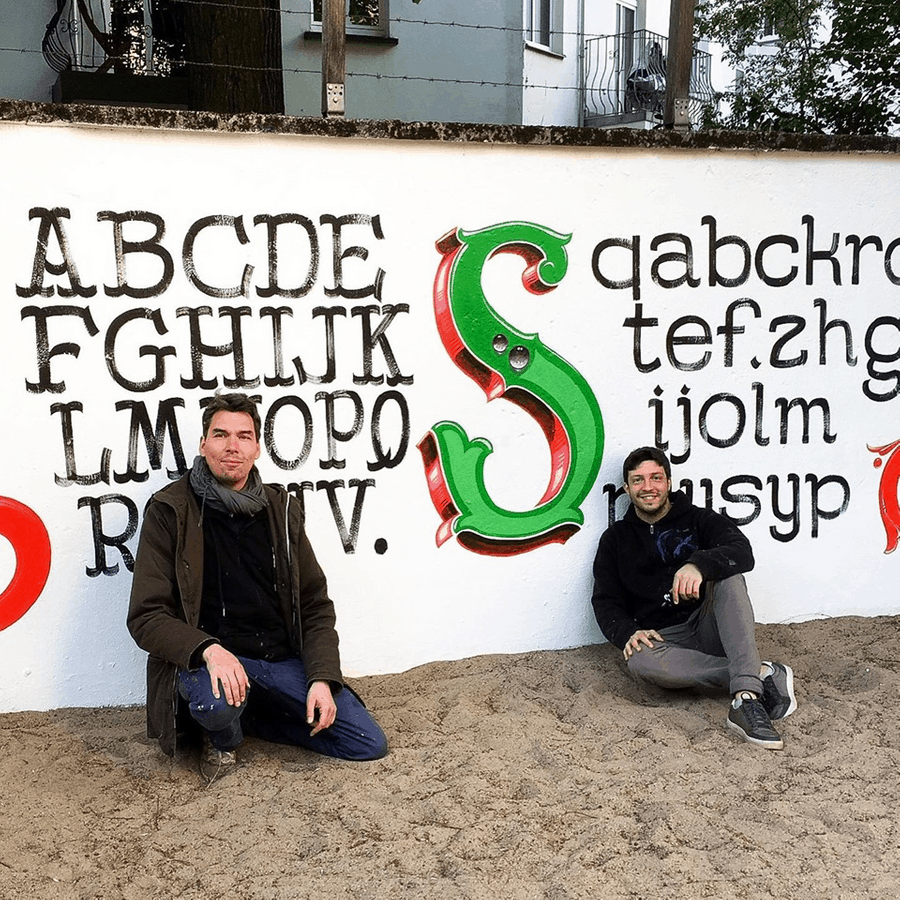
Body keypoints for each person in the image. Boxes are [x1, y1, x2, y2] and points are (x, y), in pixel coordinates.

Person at [127, 392, 388, 781]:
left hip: (277, 661)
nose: (232, 446)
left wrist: (320, 676)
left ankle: (253, 718)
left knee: (366, 742)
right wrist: (208, 650)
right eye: (220, 435)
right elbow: (146, 616)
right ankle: (224, 732)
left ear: (257, 448)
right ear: (203, 445)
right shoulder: (170, 511)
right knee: (215, 705)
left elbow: (315, 604)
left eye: (244, 436)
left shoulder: (280, 509)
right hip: (211, 663)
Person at [591, 446, 797, 749]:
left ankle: (745, 700)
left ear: (669, 482)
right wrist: (627, 633)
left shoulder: (698, 519)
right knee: (639, 661)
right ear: (627, 488)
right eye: (638, 481)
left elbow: (742, 552)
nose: (648, 487)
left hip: (708, 625)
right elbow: (605, 600)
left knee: (729, 578)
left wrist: (698, 565)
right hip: (664, 642)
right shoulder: (615, 539)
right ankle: (759, 672)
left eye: (656, 478)